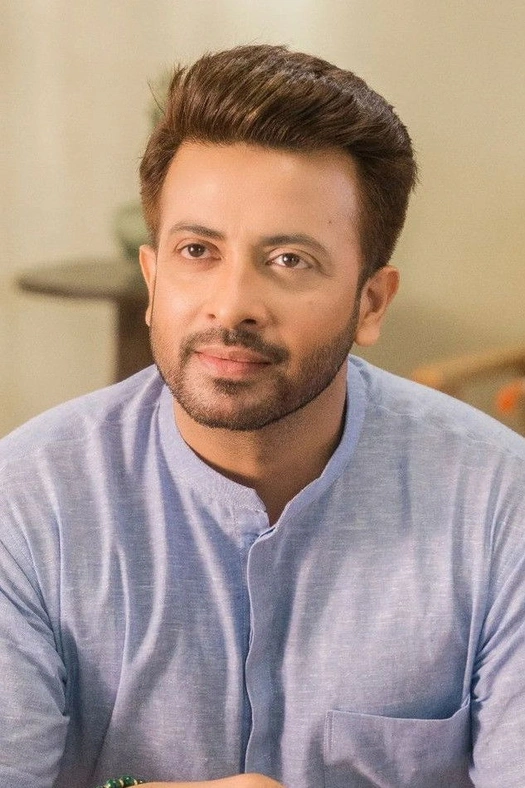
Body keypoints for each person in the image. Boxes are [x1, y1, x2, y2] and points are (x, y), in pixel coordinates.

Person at [1, 43, 524, 788]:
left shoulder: (501, 506)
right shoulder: (27, 504)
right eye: (197, 250)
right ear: (153, 278)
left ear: (371, 302)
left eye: (289, 260)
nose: (232, 305)